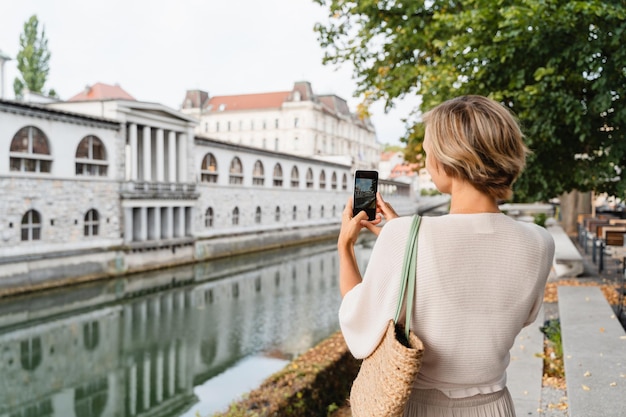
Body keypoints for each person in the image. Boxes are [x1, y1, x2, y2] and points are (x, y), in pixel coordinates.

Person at [337, 95, 555, 417]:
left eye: (427, 152)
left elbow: (360, 323)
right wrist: (407, 241)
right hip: (494, 407)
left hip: (421, 408)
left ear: (448, 159)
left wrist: (345, 247)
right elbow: (507, 313)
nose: (426, 161)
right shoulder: (541, 242)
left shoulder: (404, 236)